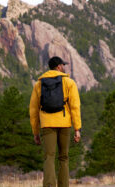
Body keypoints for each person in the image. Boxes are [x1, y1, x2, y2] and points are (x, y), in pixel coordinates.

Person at [29, 56, 81, 187]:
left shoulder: (39, 84)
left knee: (49, 157)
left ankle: (49, 185)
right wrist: (77, 129)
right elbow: (75, 107)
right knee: (63, 157)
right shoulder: (69, 82)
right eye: (63, 65)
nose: (64, 67)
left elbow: (33, 110)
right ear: (58, 66)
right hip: (64, 124)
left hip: (47, 124)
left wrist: (35, 132)